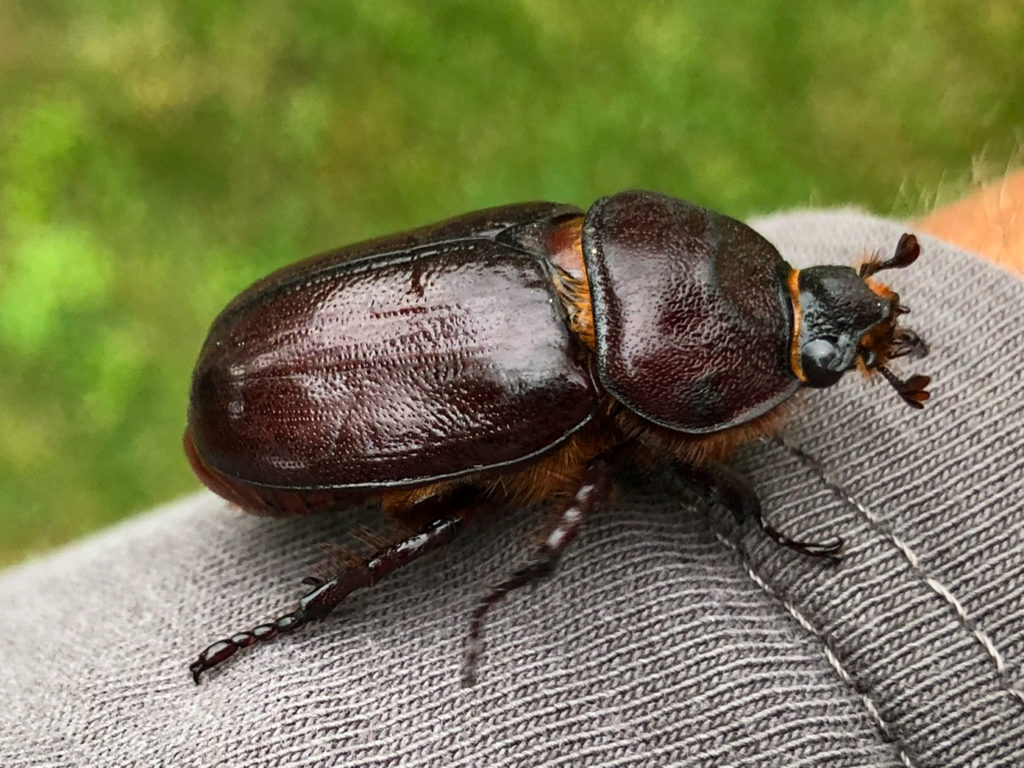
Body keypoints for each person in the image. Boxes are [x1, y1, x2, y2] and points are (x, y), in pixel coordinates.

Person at [2, 178, 1022, 767]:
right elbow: (690, 456)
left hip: (256, 356)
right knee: (444, 524)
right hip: (267, 439)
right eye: (793, 318)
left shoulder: (568, 235)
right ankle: (300, 617)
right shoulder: (564, 393)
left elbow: (688, 441)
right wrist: (755, 515)